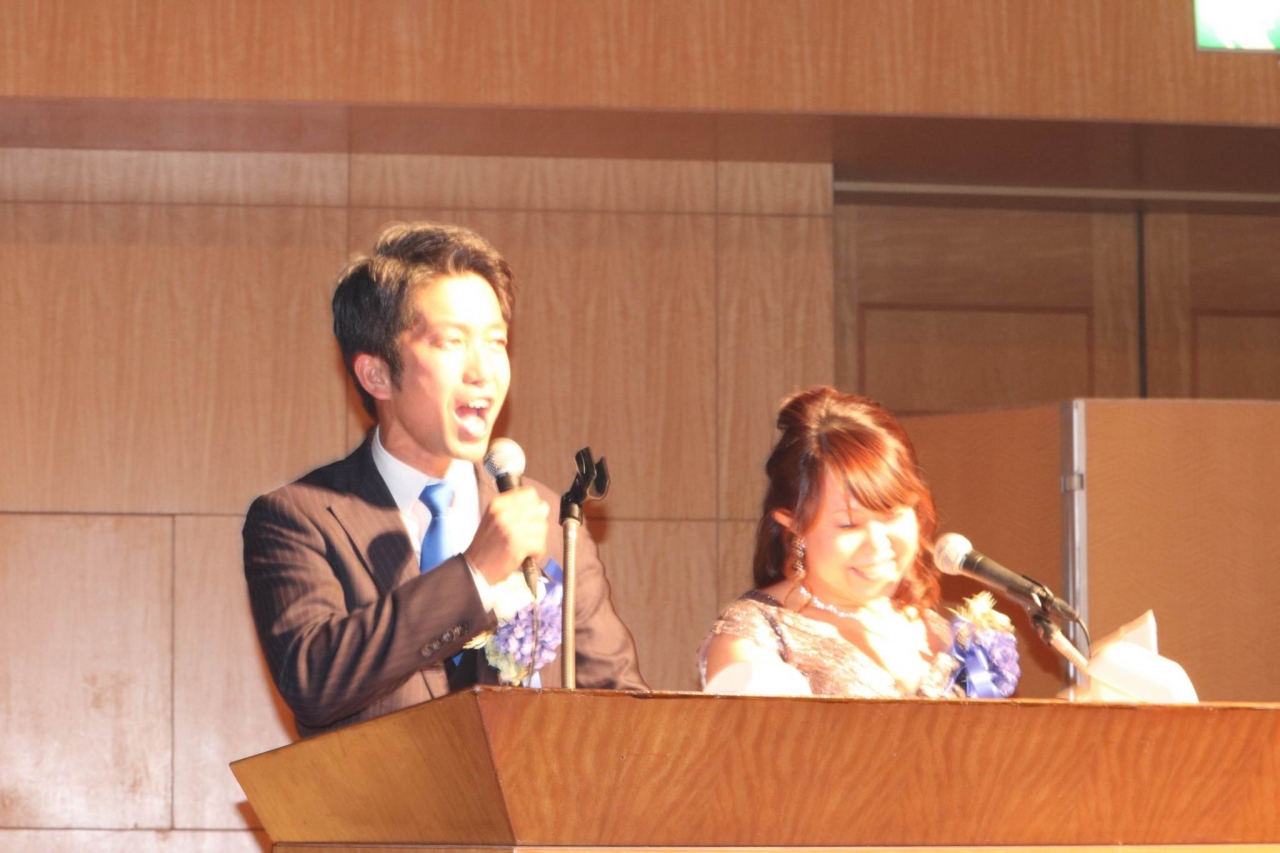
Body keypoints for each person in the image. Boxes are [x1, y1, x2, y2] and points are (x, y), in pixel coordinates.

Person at [243, 221, 646, 737]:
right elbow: (314, 680)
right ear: (376, 374)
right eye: (452, 342)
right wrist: (475, 574)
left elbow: (621, 706)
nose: (484, 371)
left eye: (496, 342)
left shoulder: (546, 519)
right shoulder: (299, 518)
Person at [700, 386, 1016, 698]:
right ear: (795, 526)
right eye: (849, 524)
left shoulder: (935, 630)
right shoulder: (754, 636)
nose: (877, 544)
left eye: (891, 515)